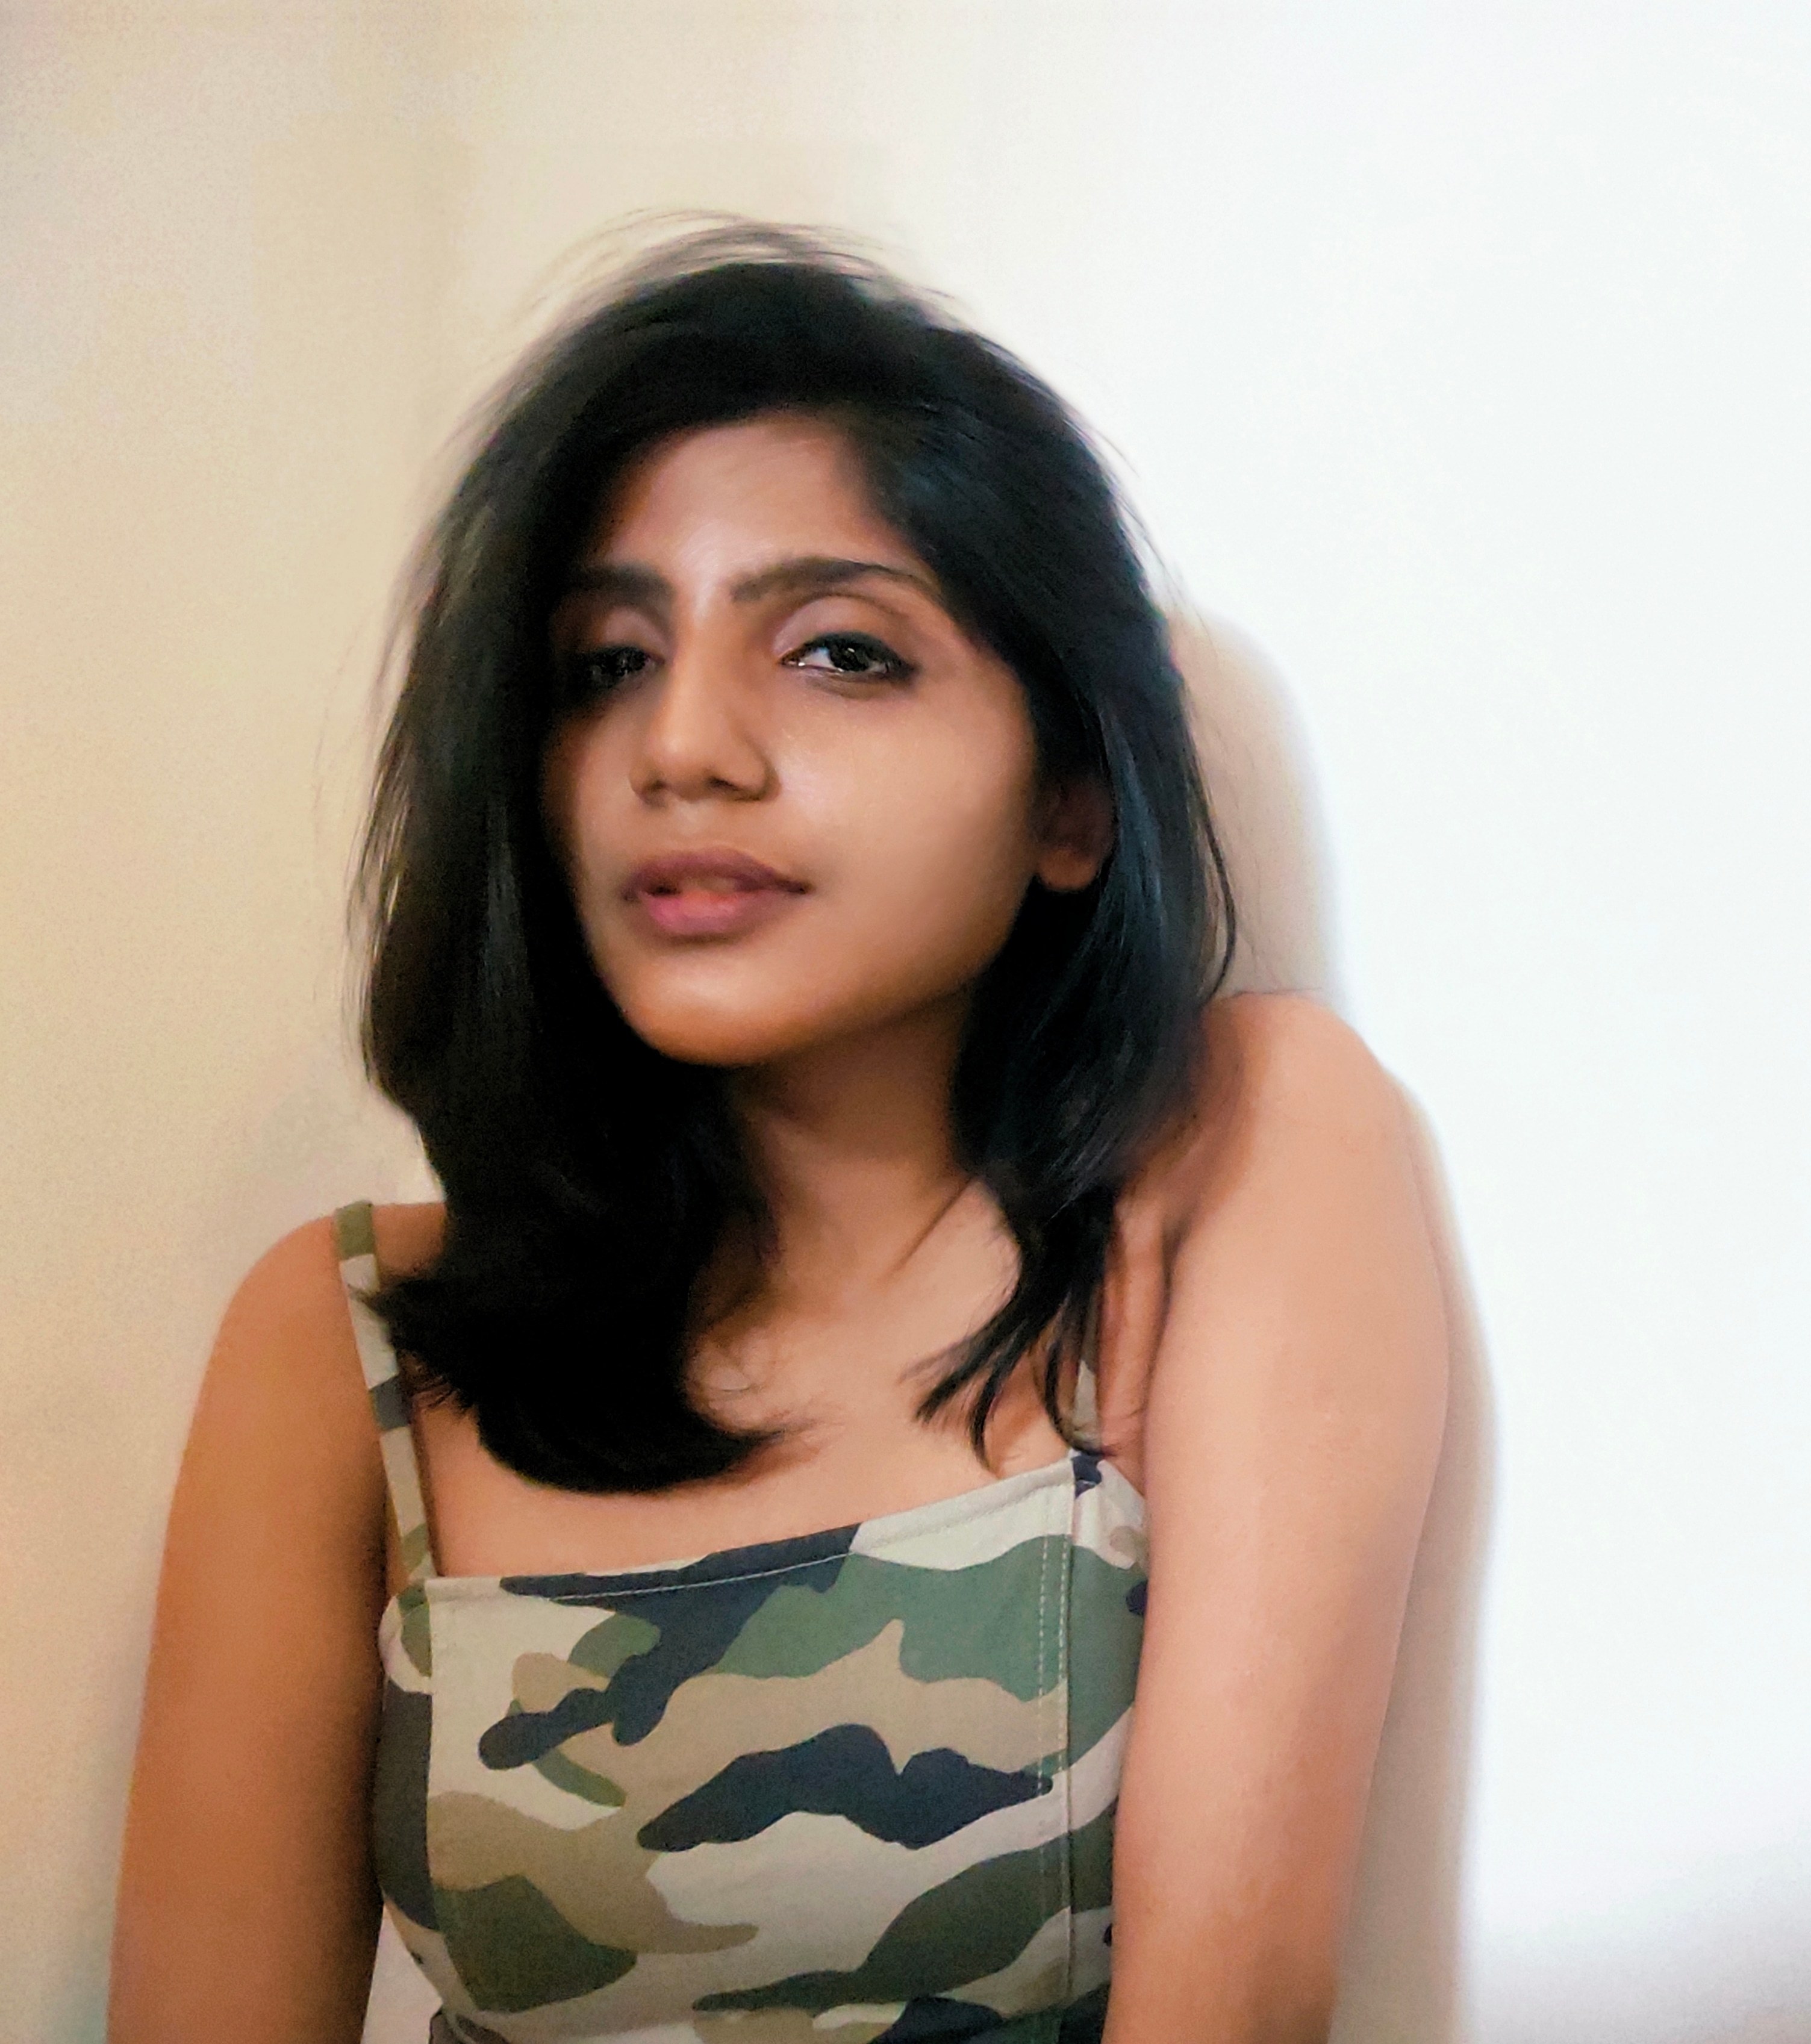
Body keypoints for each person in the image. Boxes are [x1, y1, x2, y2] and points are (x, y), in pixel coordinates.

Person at [110, 223, 1448, 2044]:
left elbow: (1237, 2002)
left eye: (836, 651)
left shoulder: (1241, 1150)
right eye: (605, 664)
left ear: (1069, 796)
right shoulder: (343, 1338)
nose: (683, 748)